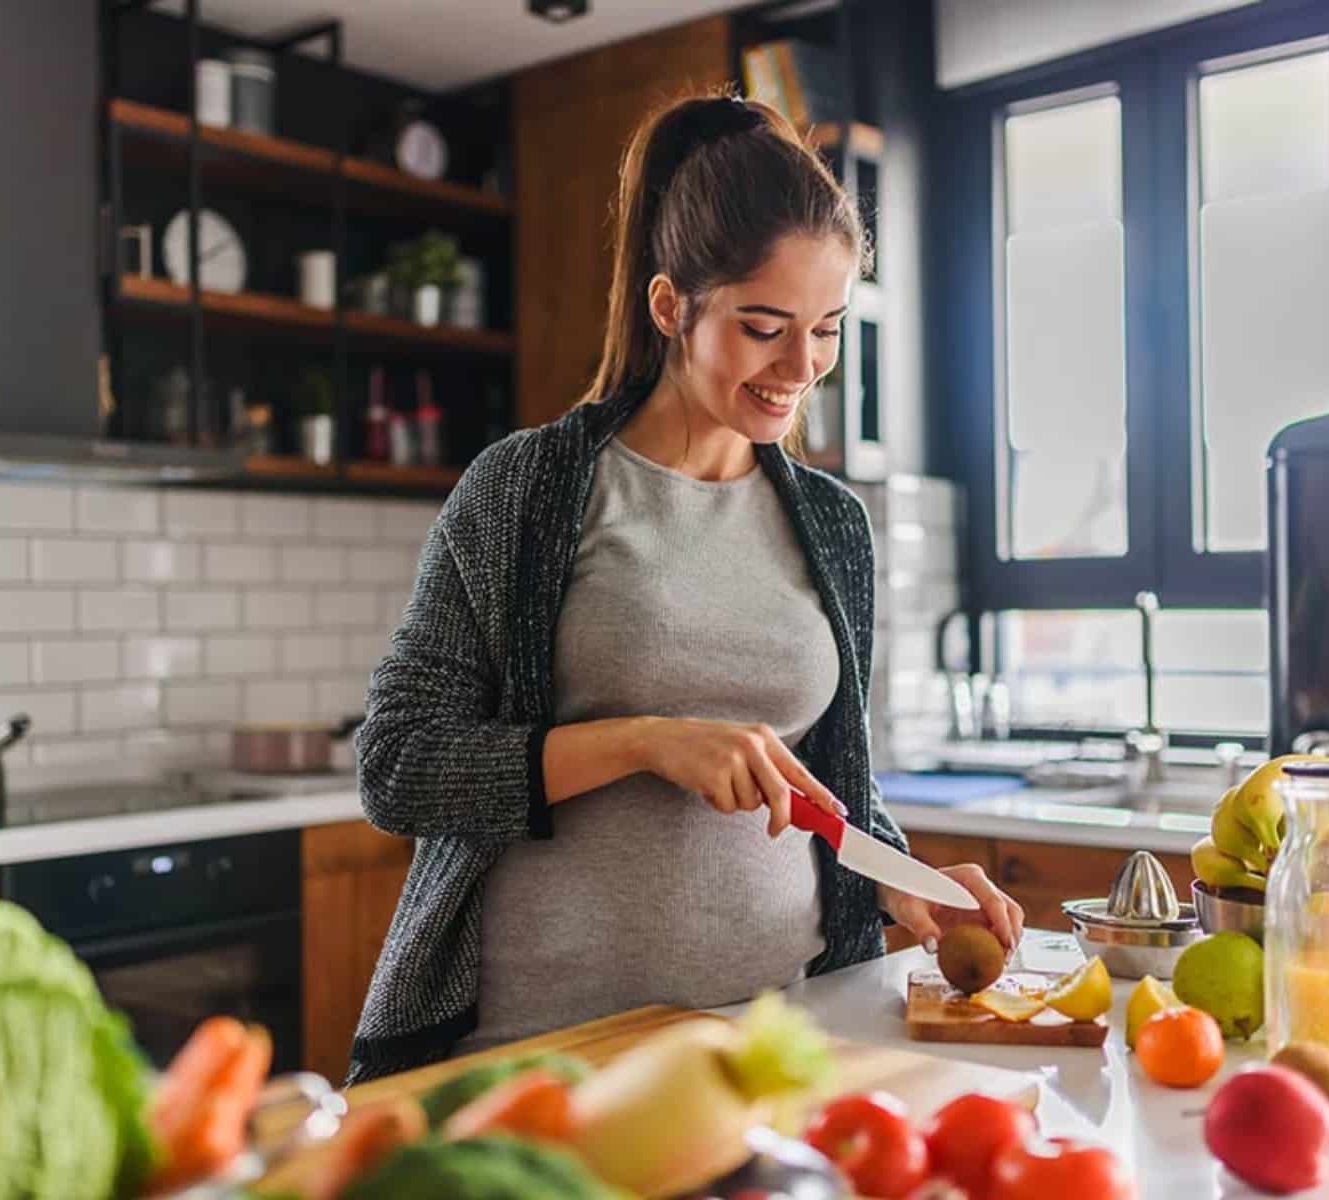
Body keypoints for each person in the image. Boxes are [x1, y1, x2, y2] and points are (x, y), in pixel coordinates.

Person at [347, 93, 1024, 1084]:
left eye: (828, 329)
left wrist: (907, 881)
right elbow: (399, 767)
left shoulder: (834, 525)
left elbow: (826, 787)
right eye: (764, 327)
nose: (803, 368)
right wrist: (643, 742)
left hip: (772, 1046)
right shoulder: (528, 489)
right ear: (672, 307)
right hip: (543, 1059)